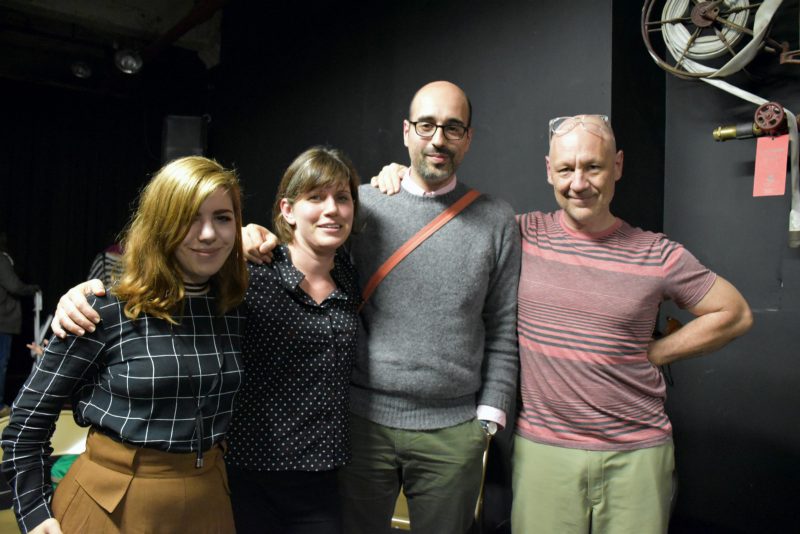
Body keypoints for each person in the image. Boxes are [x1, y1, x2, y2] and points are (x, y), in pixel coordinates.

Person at [372, 114, 754, 533]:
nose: (579, 183)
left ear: (618, 166)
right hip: (543, 451)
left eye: (593, 167)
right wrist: (404, 181)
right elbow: (442, 223)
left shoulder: (656, 254)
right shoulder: (519, 233)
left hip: (637, 452)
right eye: (567, 168)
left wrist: (656, 352)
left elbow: (733, 313)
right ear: (548, 170)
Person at [245, 81, 521, 533]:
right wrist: (249, 237)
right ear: (407, 132)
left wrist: (488, 421)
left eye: (453, 128)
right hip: (360, 423)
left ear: (468, 138)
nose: (438, 139)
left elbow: (504, 323)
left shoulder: (496, 220)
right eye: (427, 125)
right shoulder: (365, 205)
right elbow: (308, 256)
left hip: (454, 430)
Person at [46, 147, 362, 533]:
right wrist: (79, 296)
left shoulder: (349, 275)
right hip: (244, 472)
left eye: (342, 198)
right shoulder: (249, 277)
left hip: (318, 474)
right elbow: (172, 278)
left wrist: (394, 172)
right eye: (316, 197)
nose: (331, 208)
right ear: (287, 210)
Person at [1, 156, 248, 534]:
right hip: (112, 505)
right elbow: (26, 424)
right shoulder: (102, 309)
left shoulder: (235, 309)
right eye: (190, 217)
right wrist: (34, 514)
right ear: (161, 223)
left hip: (208, 500)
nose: (209, 233)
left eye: (222, 217)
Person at [0, 232, 39, 418]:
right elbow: (14, 286)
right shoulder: (2, 260)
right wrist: (32, 288)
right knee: (1, 364)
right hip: (2, 322)